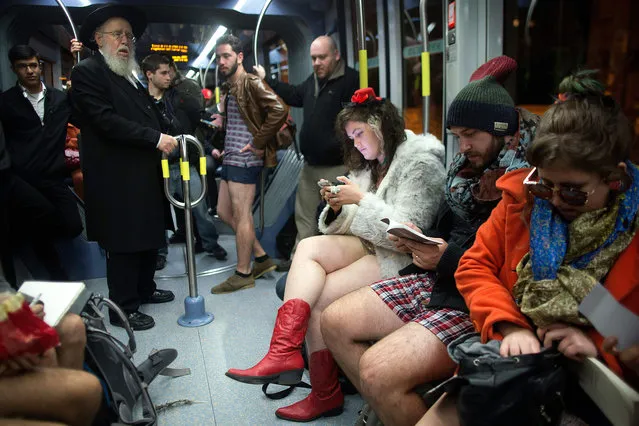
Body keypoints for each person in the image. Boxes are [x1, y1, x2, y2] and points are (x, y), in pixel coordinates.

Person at [321, 57, 540, 426]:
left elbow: (507, 270)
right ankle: (385, 407)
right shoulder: (464, 174)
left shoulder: (524, 186)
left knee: (377, 372)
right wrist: (424, 246)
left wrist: (443, 256)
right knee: (333, 321)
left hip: (473, 297)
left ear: (502, 131)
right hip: (440, 274)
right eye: (457, 136)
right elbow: (446, 229)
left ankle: (385, 401)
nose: (463, 146)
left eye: (471, 135)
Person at [419, 71, 639, 425]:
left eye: (572, 190)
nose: (552, 201)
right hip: (524, 359)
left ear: (616, 178)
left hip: (602, 392)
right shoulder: (522, 196)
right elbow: (475, 265)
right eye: (544, 185)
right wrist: (511, 326)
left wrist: (595, 344)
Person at [225, 87, 446, 422]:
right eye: (350, 136)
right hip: (369, 245)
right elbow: (353, 225)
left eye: (359, 133)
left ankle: (324, 393)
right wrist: (337, 207)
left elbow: (406, 232)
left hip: (400, 259)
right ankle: (283, 351)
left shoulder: (420, 162)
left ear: (380, 125)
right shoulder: (370, 163)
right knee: (309, 246)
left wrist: (360, 200)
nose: (355, 143)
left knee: (321, 299)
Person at [70, 4, 177, 331]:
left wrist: (166, 130)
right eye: (118, 34)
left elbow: (144, 112)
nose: (125, 40)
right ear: (99, 38)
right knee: (124, 242)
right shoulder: (87, 72)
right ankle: (122, 309)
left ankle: (144, 289)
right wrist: (154, 138)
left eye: (129, 35)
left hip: (142, 172)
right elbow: (105, 121)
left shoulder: (127, 73)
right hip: (115, 176)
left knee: (147, 234)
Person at [254, 35, 358, 271]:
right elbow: (293, 95)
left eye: (322, 57)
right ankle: (299, 264)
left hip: (339, 166)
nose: (317, 63)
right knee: (304, 219)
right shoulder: (313, 82)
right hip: (310, 166)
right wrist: (266, 80)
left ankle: (331, 266)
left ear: (336, 55)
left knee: (336, 220)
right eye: (313, 58)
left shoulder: (350, 80)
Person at [209, 34, 288, 294]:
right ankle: (262, 259)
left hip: (245, 158)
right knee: (224, 212)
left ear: (240, 57)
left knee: (242, 215)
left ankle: (244, 273)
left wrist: (257, 142)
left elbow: (279, 109)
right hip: (231, 155)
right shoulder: (232, 86)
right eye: (219, 57)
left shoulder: (250, 81)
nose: (221, 61)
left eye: (227, 56)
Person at [0, 45, 83, 285]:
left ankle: (33, 241)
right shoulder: (6, 102)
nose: (29, 71)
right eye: (22, 67)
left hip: (54, 176)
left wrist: (78, 61)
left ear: (40, 65)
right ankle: (58, 278)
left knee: (73, 225)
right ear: (14, 69)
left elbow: (82, 115)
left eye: (33, 65)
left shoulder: (59, 98)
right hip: (23, 180)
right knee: (41, 217)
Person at [142, 54, 227, 270]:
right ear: (149, 75)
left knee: (200, 207)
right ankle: (160, 252)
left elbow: (194, 123)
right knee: (158, 212)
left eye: (169, 71)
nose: (169, 76)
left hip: (183, 163)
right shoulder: (141, 102)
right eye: (163, 73)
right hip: (157, 167)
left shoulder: (178, 98)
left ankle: (211, 243)